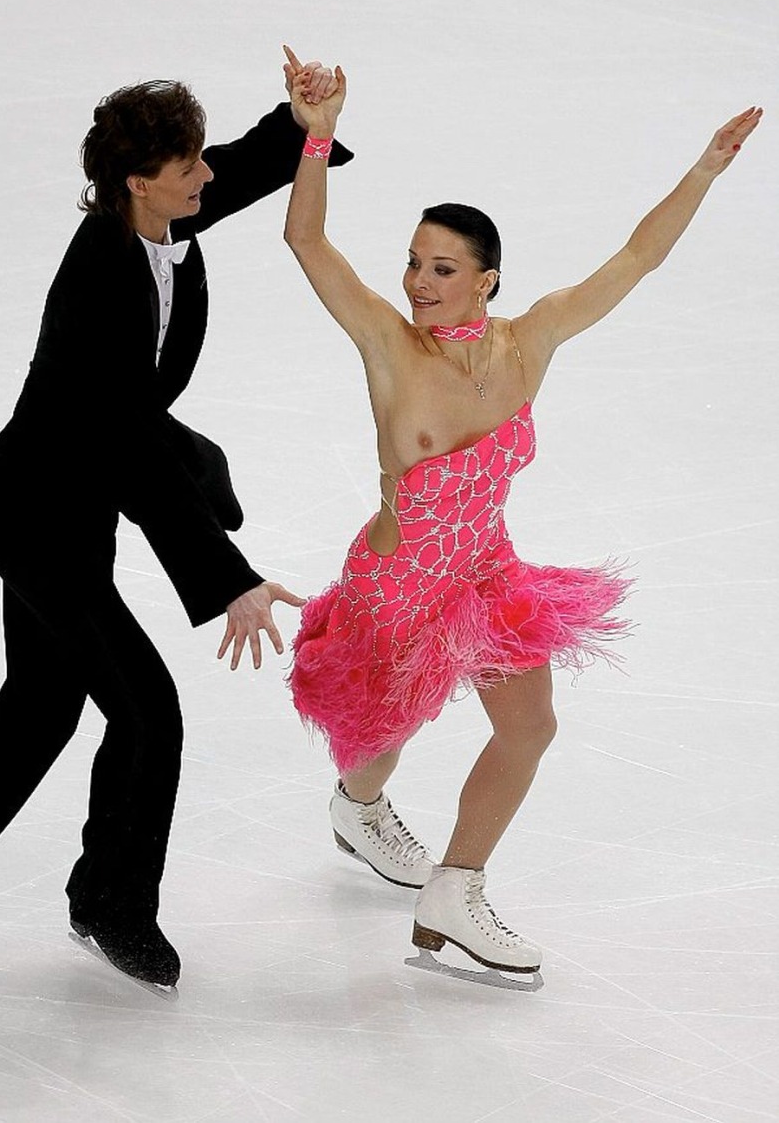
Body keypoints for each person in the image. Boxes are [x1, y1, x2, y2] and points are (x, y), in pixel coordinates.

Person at [0, 53, 353, 992]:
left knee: (35, 720)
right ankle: (111, 904)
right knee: (149, 713)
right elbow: (133, 452)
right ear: (139, 184)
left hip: (72, 503)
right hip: (38, 518)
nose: (204, 175)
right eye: (185, 167)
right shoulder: (102, 276)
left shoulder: (153, 217)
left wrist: (305, 123)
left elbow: (240, 163)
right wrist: (225, 575)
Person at [282, 50, 760, 974]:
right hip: (396, 584)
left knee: (530, 725)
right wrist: (318, 135)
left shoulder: (529, 342)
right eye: (415, 263)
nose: (420, 283)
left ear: (487, 279)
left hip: (485, 567)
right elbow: (308, 244)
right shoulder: (389, 346)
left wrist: (703, 169)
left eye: (444, 268)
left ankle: (455, 892)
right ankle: (359, 806)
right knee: (384, 738)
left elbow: (638, 257)